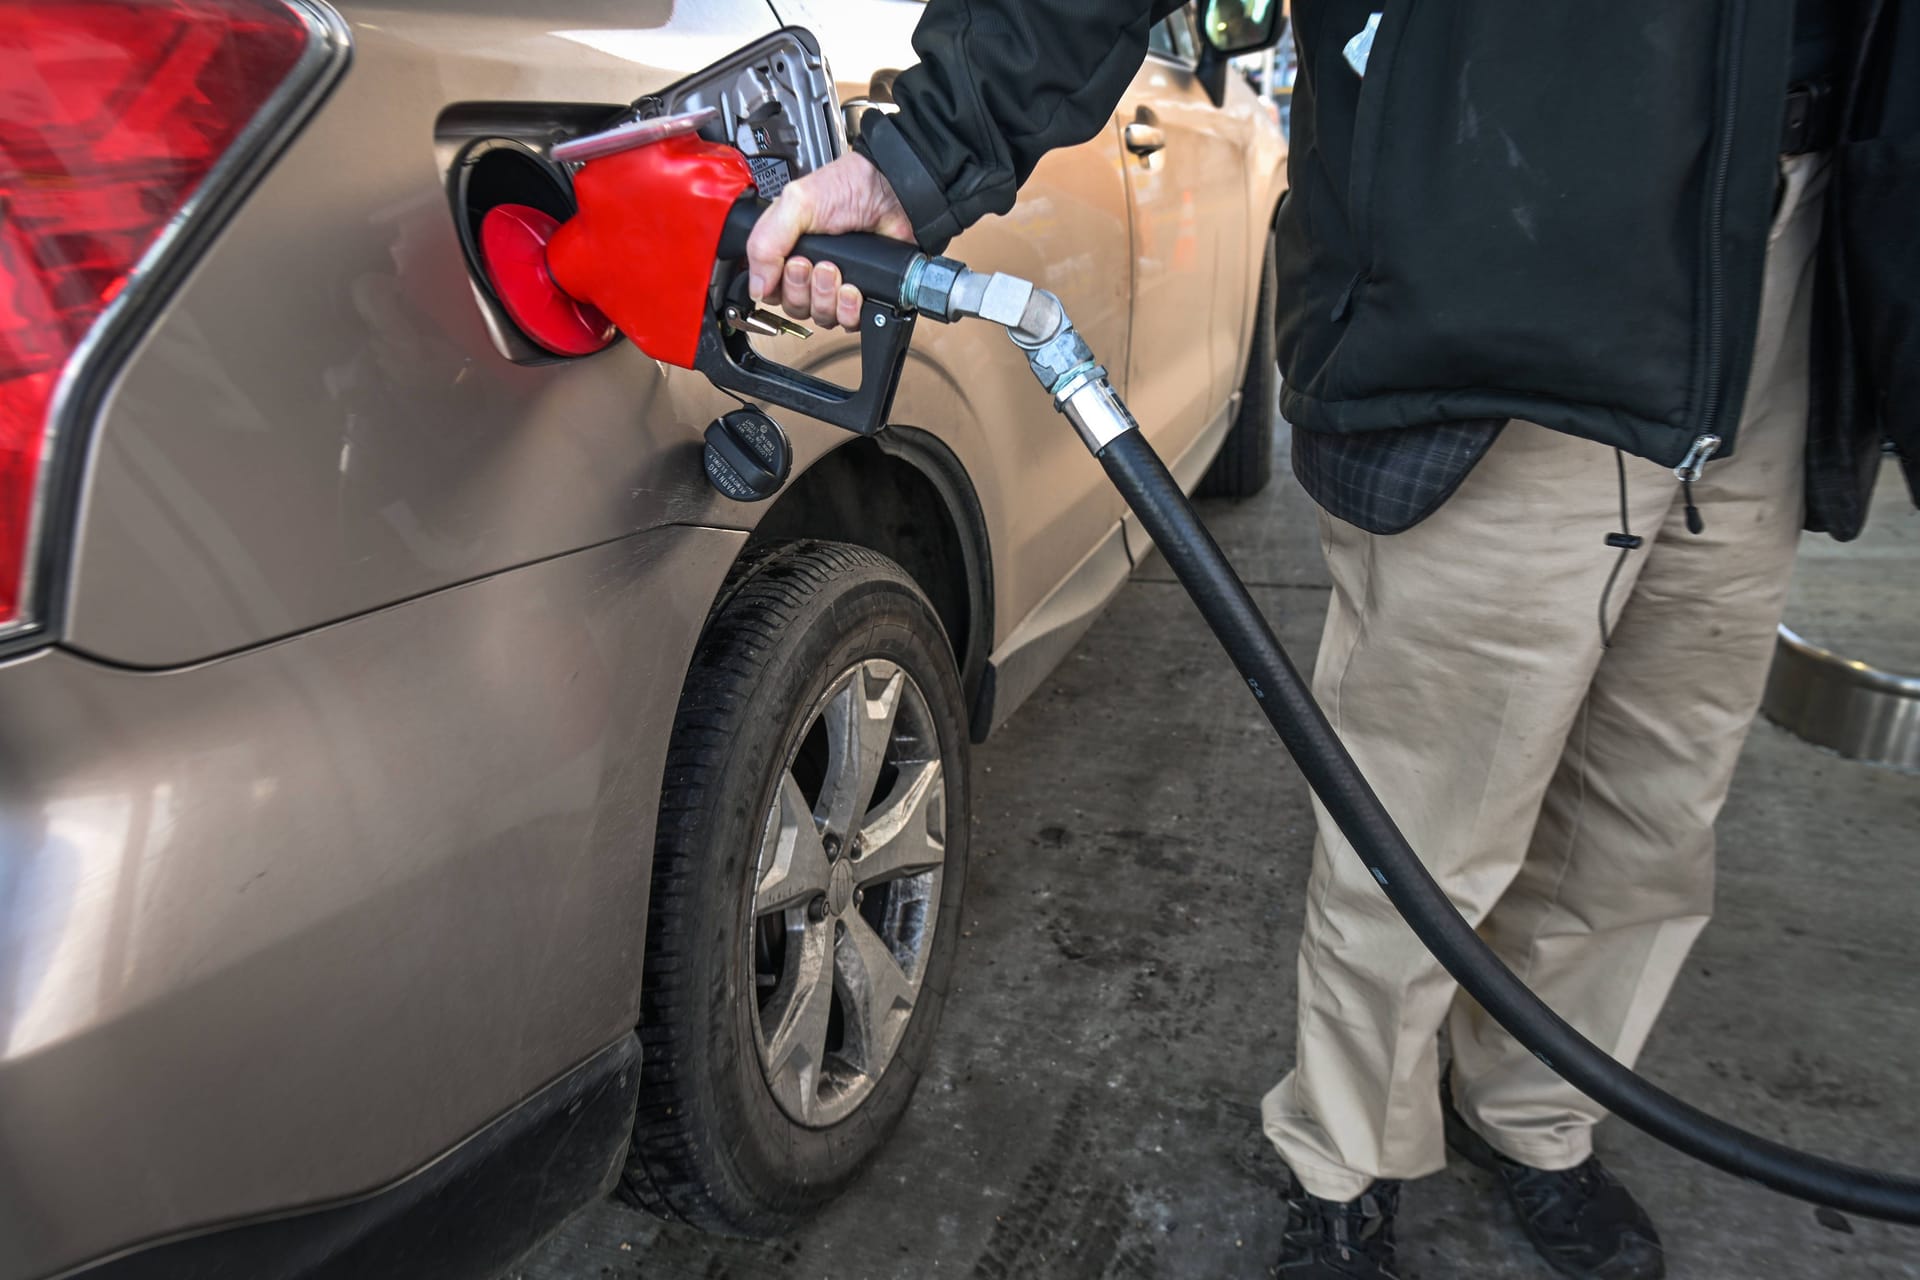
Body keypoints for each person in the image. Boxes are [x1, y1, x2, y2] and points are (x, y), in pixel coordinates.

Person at [746, 4, 1916, 1277]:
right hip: (1509, 286)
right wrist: (919, 156)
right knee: (1422, 828)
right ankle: (1343, 1161)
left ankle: (1539, 1117)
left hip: (1789, 279)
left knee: (1651, 815)